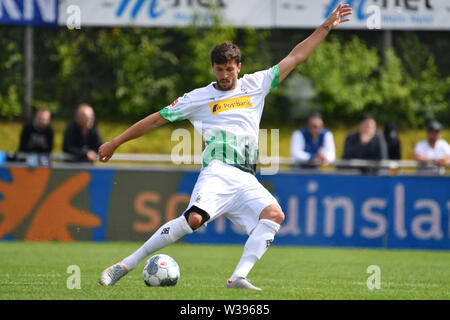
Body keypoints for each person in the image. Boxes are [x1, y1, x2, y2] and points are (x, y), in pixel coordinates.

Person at [98, 4, 352, 290]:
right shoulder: (198, 98)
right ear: (213, 68)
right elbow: (157, 119)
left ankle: (238, 277)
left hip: (246, 177)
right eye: (219, 70)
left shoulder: (256, 84)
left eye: (229, 69)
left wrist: (326, 26)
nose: (224, 76)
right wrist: (116, 141)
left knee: (274, 215)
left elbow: (296, 56)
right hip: (218, 171)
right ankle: (125, 265)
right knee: (193, 219)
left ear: (239, 67)